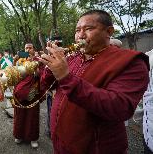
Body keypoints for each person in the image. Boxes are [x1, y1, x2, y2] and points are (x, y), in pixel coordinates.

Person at [40, 10, 149, 154]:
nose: (80, 35)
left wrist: (66, 77)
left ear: (108, 32)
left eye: (88, 29)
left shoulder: (131, 62)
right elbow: (47, 86)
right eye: (77, 30)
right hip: (62, 143)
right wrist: (50, 67)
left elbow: (119, 107)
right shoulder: (74, 57)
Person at [13, 43, 45, 148]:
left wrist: (36, 70)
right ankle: (19, 135)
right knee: (20, 114)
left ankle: (33, 138)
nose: (28, 49)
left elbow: (43, 74)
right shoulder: (20, 60)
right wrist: (15, 61)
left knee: (33, 115)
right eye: (26, 48)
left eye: (30, 48)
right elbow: (14, 74)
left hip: (33, 91)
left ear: (33, 49)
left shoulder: (38, 60)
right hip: (20, 91)